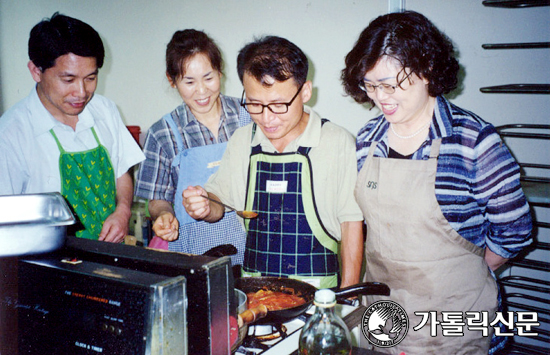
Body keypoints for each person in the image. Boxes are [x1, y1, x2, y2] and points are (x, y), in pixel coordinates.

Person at [341, 11, 533, 354]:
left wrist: (468, 270)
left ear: (427, 71)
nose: (379, 97)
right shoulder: (369, 138)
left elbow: (515, 228)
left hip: (454, 316)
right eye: (370, 85)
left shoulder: (473, 140)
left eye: (390, 85)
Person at [182, 36, 364, 289]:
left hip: (318, 288)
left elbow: (351, 223)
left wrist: (349, 293)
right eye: (255, 104)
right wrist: (203, 203)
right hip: (256, 288)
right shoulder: (243, 140)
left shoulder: (336, 141)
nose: (267, 118)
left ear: (306, 92)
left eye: (279, 105)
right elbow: (218, 204)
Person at [0, 13, 144, 243]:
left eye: (90, 78)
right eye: (68, 80)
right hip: (46, 266)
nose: (81, 92)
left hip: (108, 255)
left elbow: (122, 170)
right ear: (36, 71)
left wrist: (123, 211)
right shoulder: (11, 135)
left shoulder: (104, 110)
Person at [134, 30, 250, 264]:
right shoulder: (162, 133)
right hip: (193, 251)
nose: (201, 91)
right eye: (189, 81)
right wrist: (164, 216)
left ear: (220, 71)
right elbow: (157, 199)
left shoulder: (247, 115)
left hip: (250, 242)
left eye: (208, 78)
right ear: (172, 80)